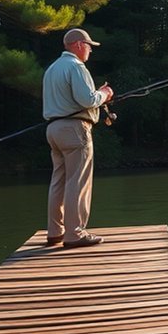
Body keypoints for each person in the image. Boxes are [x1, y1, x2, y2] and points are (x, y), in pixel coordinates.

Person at [42, 28, 113, 248]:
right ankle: (75, 234)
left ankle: (55, 232)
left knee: (59, 181)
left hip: (53, 130)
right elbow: (87, 99)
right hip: (75, 130)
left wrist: (96, 96)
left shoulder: (52, 69)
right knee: (77, 181)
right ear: (79, 45)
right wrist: (105, 94)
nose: (90, 50)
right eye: (89, 46)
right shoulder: (76, 66)